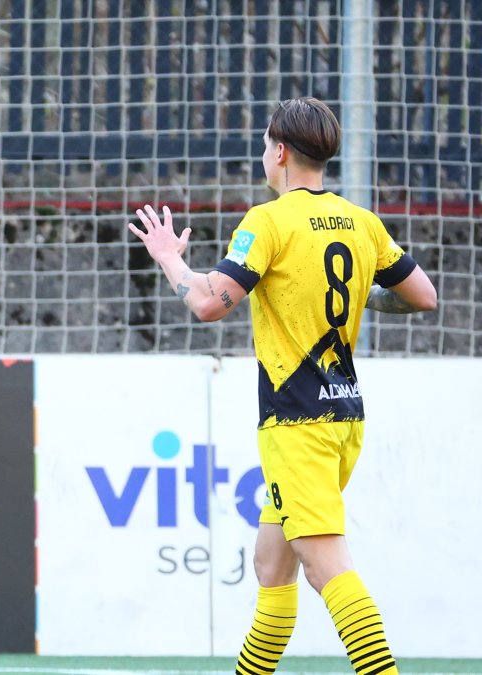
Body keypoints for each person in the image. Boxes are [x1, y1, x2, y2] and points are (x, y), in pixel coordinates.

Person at [127, 97, 437, 675]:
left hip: (298, 422)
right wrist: (361, 291)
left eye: (265, 146)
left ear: (280, 152)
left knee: (324, 565)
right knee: (272, 565)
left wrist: (169, 258)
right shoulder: (359, 220)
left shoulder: (267, 222)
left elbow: (204, 303)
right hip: (343, 415)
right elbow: (423, 295)